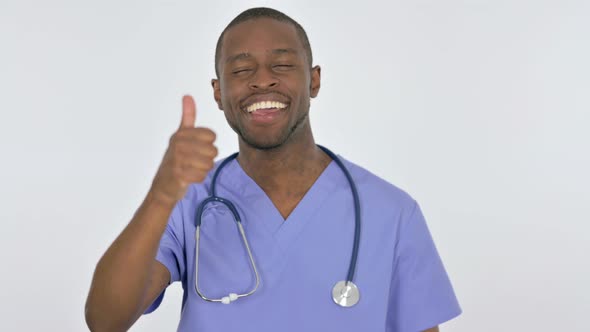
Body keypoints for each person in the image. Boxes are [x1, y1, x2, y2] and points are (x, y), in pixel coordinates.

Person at [85, 7, 461, 332]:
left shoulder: (392, 212)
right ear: (218, 93)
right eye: (241, 69)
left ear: (314, 80)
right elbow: (105, 320)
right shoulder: (186, 203)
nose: (262, 79)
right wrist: (160, 196)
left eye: (281, 65)